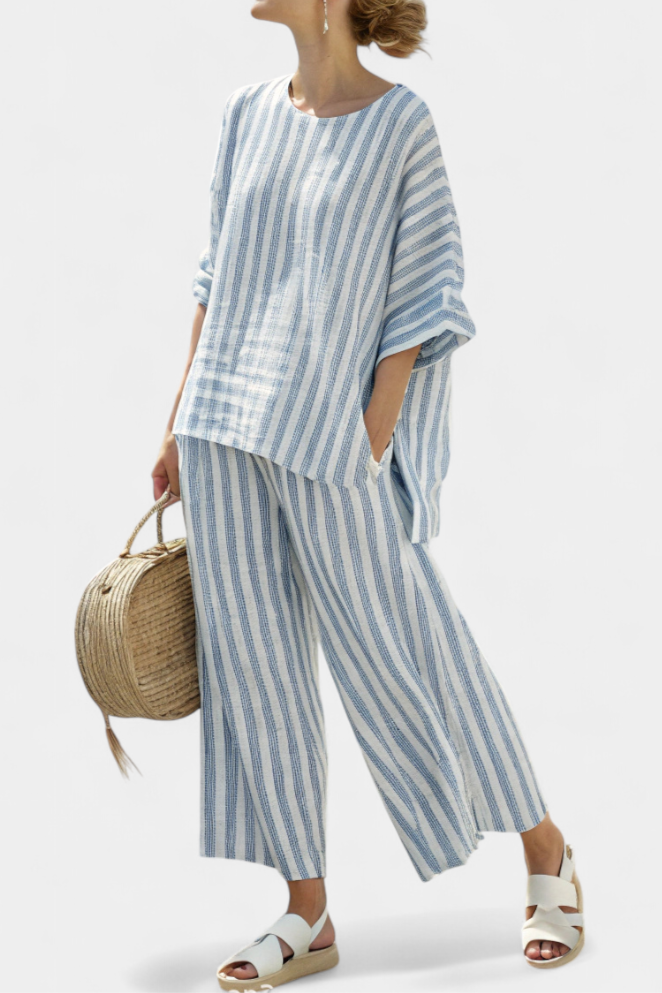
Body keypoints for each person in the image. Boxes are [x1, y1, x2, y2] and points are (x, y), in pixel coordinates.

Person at [151, 1, 585, 986]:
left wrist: (374, 431)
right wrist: (174, 420)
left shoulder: (401, 126)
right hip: (221, 426)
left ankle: (545, 848)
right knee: (256, 668)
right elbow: (215, 274)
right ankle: (307, 912)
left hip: (328, 434)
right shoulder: (244, 111)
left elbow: (424, 288)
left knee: (412, 642)